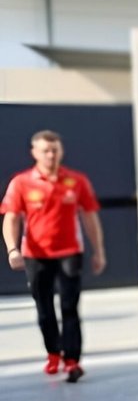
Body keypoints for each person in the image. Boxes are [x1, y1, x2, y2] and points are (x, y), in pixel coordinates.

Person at [2, 130, 106, 383]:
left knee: (70, 306)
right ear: (34, 153)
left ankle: (72, 361)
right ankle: (53, 353)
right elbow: (11, 218)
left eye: (55, 150)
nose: (51, 155)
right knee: (44, 308)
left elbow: (89, 216)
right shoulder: (21, 183)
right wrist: (12, 249)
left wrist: (99, 251)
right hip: (35, 255)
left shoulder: (77, 180)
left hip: (70, 252)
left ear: (61, 151)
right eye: (45, 151)